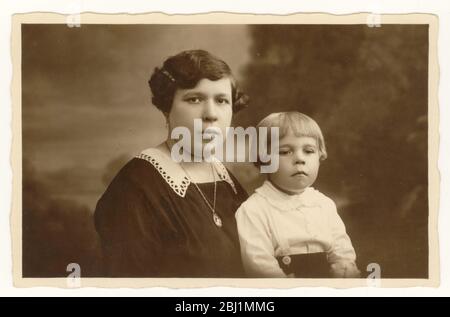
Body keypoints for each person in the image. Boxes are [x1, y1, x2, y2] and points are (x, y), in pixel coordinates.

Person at [94, 50, 249, 277]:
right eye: (194, 99)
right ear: (167, 108)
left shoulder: (226, 180)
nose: (211, 114)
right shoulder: (135, 189)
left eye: (222, 100)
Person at [235, 112, 360, 278]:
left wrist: (344, 270)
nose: (299, 159)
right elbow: (260, 265)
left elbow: (342, 250)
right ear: (263, 159)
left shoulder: (324, 205)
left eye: (309, 151)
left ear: (320, 155)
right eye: (285, 152)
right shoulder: (254, 210)